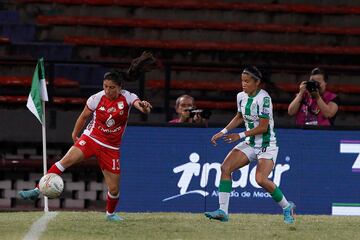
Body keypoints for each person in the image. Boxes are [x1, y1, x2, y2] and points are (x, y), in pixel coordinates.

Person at [19, 52, 156, 222]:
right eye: (105, 86)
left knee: (114, 189)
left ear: (120, 87)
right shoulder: (96, 98)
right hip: (92, 138)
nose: (107, 90)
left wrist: (145, 107)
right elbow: (84, 116)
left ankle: (110, 214)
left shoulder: (128, 97)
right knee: (65, 161)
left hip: (111, 148)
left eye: (111, 87)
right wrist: (75, 133)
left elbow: (142, 109)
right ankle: (36, 190)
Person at [204, 66, 295, 224]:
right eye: (242, 81)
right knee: (225, 168)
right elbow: (239, 117)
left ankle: (287, 207)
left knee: (260, 179)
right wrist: (223, 132)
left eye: (247, 81)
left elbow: (263, 127)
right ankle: (223, 211)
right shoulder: (241, 96)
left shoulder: (264, 99)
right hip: (250, 142)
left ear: (257, 82)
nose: (243, 84)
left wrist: (238, 136)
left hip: (267, 144)